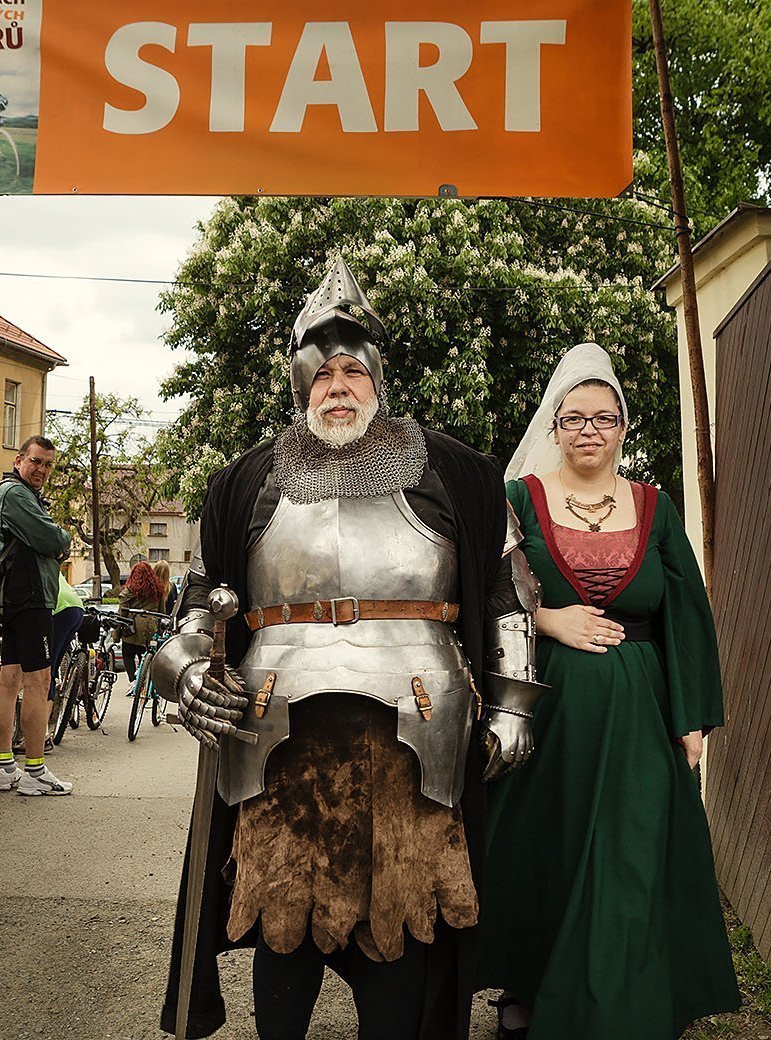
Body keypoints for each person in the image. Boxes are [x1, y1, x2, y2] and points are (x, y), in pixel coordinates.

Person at [152, 258, 545, 1040]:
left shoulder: (457, 473)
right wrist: (187, 667)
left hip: (417, 730)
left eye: (352, 370)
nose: (338, 384)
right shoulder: (245, 482)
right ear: (301, 384)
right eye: (323, 371)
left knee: (400, 919)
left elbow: (509, 600)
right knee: (280, 917)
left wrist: (512, 705)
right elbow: (195, 606)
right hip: (275, 735)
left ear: (377, 379)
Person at [478, 343, 741, 1038]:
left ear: (624, 427)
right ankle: (530, 984)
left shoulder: (655, 508)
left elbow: (685, 613)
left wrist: (691, 720)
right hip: (552, 713)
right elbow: (483, 593)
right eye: (573, 419)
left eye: (603, 418)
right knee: (549, 852)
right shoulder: (519, 499)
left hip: (641, 717)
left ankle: (627, 1002)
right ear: (553, 427)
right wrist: (545, 618)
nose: (588, 430)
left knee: (631, 855)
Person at [0, 435, 74, 796]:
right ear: (20, 460)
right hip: (29, 597)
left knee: (10, 681)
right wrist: (63, 537)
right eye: (36, 462)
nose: (42, 470)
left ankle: (5, 767)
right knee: (38, 682)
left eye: (48, 465)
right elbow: (51, 540)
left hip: (14, 599)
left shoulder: (12, 493)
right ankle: (35, 771)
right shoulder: (17, 495)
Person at [46, 571, 85, 728]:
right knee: (51, 669)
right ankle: (45, 731)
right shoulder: (47, 557)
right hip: (75, 606)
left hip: (57, 608)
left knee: (44, 672)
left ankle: (42, 734)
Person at [119, 560, 164, 683]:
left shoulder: (129, 591)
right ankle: (144, 681)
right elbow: (162, 613)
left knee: (128, 655)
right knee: (145, 655)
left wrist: (117, 635)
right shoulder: (157, 590)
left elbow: (121, 614)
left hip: (131, 629)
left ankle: (133, 681)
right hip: (150, 628)